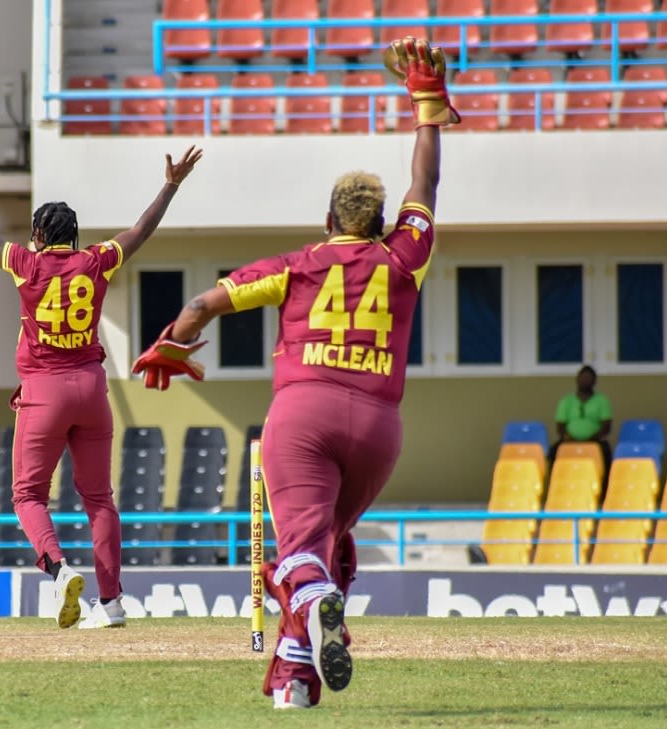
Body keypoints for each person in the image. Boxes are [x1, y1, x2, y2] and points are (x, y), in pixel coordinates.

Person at [131, 37, 456, 709]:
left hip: (303, 416)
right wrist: (426, 105)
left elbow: (201, 303)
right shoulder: (405, 257)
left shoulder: (297, 264)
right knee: (328, 547)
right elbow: (426, 184)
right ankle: (294, 682)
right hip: (376, 426)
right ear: (379, 220)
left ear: (328, 219)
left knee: (301, 560)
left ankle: (317, 606)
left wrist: (173, 342)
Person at [0, 134, 202, 629]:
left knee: (28, 496)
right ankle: (112, 604)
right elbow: (140, 231)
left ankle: (59, 571)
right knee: (99, 498)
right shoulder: (97, 260)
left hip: (44, 392)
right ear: (75, 236)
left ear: (39, 237)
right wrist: (169, 187)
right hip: (92, 388)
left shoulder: (27, 263)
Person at [548, 365, 613, 469]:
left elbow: (606, 426)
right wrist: (570, 439)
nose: (585, 380)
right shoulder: (566, 401)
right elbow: (560, 426)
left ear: (594, 381)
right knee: (553, 451)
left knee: (606, 454)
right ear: (577, 379)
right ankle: (556, 481)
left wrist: (591, 440)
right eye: (583, 377)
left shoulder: (602, 400)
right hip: (569, 441)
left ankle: (604, 484)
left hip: (595, 441)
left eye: (589, 378)